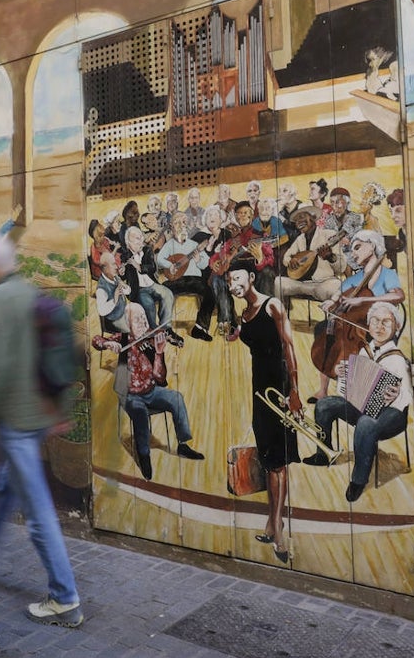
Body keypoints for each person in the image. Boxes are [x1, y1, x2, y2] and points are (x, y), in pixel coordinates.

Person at [0, 235, 85, 629]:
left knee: (38, 512)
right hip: (38, 413)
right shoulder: (29, 290)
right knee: (9, 486)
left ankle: (65, 598)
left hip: (17, 419)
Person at [227, 259, 303, 563]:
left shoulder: (272, 306)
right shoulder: (244, 313)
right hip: (260, 389)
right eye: (231, 278)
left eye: (239, 276)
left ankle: (278, 530)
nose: (235, 281)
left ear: (251, 276)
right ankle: (274, 522)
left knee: (278, 463)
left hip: (280, 388)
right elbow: (249, 338)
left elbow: (289, 347)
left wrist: (295, 392)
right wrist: (235, 334)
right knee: (269, 457)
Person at [304, 301, 411, 503]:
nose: (379, 327)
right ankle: (323, 453)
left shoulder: (397, 359)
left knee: (365, 424)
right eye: (375, 321)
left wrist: (397, 394)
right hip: (366, 407)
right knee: (324, 405)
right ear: (368, 325)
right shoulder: (365, 351)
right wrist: (341, 375)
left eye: (386, 322)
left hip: (393, 415)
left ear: (396, 327)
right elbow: (352, 389)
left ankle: (358, 481)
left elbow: (407, 396)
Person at [92, 301, 205, 480]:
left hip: (151, 391)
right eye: (137, 320)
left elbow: (160, 378)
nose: (144, 324)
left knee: (176, 398)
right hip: (130, 395)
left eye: (144, 318)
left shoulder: (152, 340)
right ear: (127, 324)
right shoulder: (122, 338)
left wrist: (159, 353)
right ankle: (144, 455)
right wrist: (107, 344)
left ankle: (182, 444)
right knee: (139, 413)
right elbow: (96, 340)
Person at [311, 229, 405, 402]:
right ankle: (323, 390)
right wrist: (331, 302)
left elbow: (398, 296)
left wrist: (361, 300)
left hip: (377, 328)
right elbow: (338, 295)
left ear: (372, 246)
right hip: (353, 326)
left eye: (357, 248)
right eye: (352, 250)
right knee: (322, 329)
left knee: (352, 345)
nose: (353, 254)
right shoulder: (356, 278)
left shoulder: (387, 274)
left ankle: (358, 392)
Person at [156, 212, 215, 341]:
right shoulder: (169, 245)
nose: (180, 226)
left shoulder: (195, 245)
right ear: (171, 227)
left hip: (195, 280)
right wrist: (169, 265)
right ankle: (165, 329)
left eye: (183, 222)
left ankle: (199, 328)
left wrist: (199, 259)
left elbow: (206, 264)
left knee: (209, 292)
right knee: (164, 291)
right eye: (177, 223)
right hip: (176, 280)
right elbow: (159, 259)